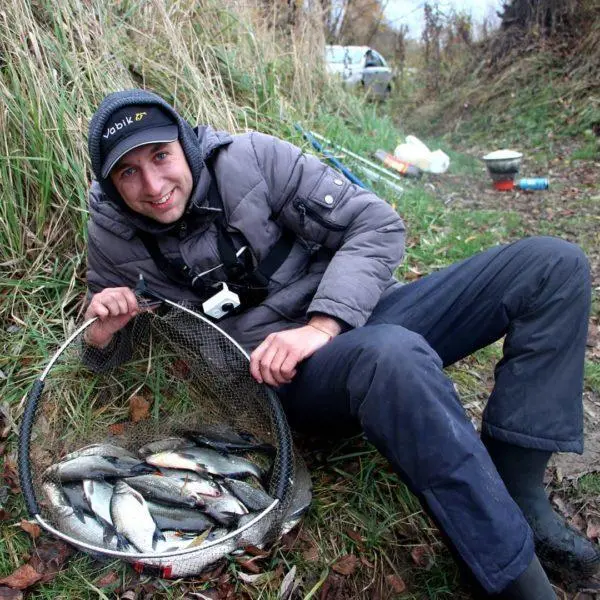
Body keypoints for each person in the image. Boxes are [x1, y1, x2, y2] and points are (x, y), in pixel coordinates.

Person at [83, 89, 599, 598]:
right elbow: (117, 354)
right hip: (285, 379)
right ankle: (510, 573)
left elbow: (375, 224)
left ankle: (520, 490)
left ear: (184, 145)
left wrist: (322, 325)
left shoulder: (253, 159)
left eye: (161, 156)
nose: (154, 185)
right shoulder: (111, 238)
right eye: (128, 172)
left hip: (355, 315)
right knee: (391, 355)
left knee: (551, 266)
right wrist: (104, 334)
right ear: (110, 183)